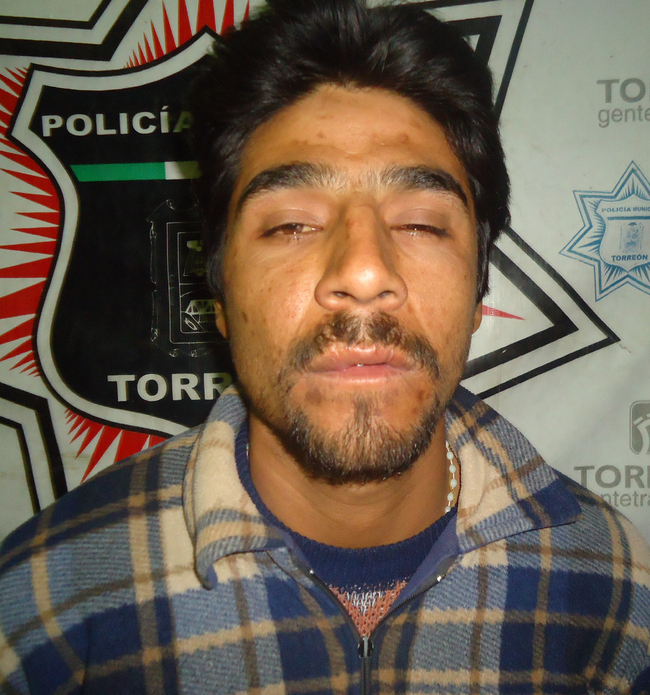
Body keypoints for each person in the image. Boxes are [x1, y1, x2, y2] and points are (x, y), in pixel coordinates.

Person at [1, 0, 650, 692]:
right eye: (291, 225)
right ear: (218, 293)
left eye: (422, 224)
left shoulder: (612, 590)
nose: (364, 272)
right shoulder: (47, 611)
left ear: (478, 291)